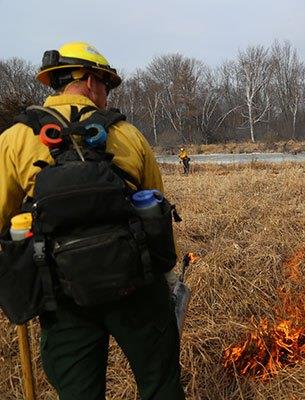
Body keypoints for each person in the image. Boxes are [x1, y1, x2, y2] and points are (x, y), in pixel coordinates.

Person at [0, 42, 185, 400]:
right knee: (160, 384)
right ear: (88, 80)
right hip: (137, 288)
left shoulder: (15, 139)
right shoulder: (128, 135)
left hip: (62, 297)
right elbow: (157, 209)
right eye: (106, 84)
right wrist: (166, 276)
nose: (106, 94)